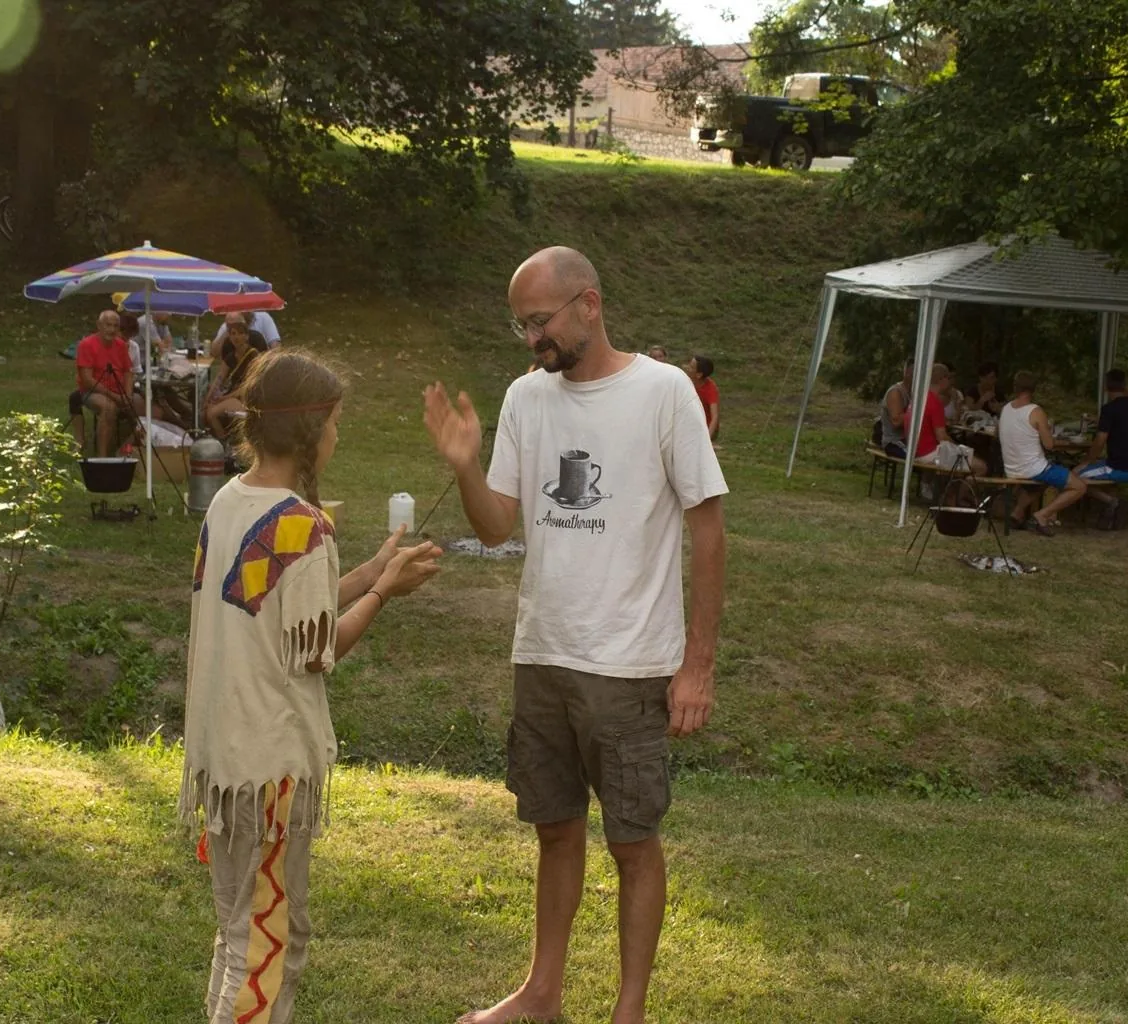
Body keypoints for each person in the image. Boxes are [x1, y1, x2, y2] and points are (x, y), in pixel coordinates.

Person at [423, 246, 727, 1024]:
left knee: (633, 842)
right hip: (542, 654)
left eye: (540, 322)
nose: (532, 340)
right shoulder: (527, 398)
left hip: (628, 665)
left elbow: (708, 528)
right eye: (521, 326)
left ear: (589, 304)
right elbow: (497, 528)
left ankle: (629, 1011)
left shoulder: (664, 392)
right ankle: (541, 995)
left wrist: (696, 666)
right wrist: (464, 467)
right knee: (555, 831)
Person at [183, 350, 441, 1024]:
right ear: (311, 431)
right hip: (269, 771)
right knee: (268, 944)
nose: (337, 435)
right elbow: (318, 651)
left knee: (238, 932)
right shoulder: (301, 523)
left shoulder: (228, 502)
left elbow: (273, 607)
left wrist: (370, 569)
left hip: (226, 760)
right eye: (335, 422)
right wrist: (384, 592)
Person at [998, 372, 1088, 535]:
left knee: (1040, 484)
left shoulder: (1006, 409)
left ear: (1015, 387)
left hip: (1012, 467)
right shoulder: (1035, 411)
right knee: (1079, 487)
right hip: (1034, 468)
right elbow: (1049, 445)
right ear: (1034, 390)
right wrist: (1050, 432)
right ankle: (1042, 515)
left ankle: (1017, 514)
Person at [1076, 368, 1128, 530]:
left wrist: (1087, 461)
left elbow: (1100, 440)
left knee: (1073, 476)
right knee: (1102, 470)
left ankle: (1112, 502)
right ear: (1125, 385)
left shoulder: (1109, 409)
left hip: (1122, 467)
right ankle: (1110, 514)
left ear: (1106, 387)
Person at [906, 362, 988, 477]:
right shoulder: (935, 403)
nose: (950, 382)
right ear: (942, 380)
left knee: (963, 462)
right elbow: (942, 437)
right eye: (948, 378)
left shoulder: (919, 398)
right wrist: (956, 446)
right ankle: (959, 489)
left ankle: (949, 488)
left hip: (914, 451)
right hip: (929, 453)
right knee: (981, 467)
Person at [70, 310, 134, 457]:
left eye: (115, 326)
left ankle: (123, 450)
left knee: (146, 407)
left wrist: (128, 395)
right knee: (108, 407)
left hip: (119, 391)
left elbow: (128, 372)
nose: (112, 330)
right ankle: (102, 457)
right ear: (99, 325)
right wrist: (116, 397)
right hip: (93, 391)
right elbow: (87, 380)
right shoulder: (86, 345)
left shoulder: (121, 345)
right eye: (108, 325)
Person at [203, 329, 269, 439]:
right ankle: (224, 439)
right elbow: (219, 379)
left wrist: (223, 398)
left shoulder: (254, 356)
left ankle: (223, 440)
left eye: (240, 333)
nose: (236, 337)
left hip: (248, 399)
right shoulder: (231, 357)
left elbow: (247, 387)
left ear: (247, 336)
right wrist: (208, 398)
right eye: (233, 334)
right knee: (207, 410)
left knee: (211, 413)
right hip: (233, 397)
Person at [876, 358, 913, 458]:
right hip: (894, 442)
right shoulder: (896, 392)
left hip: (910, 441)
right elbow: (896, 422)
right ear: (907, 373)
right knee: (919, 459)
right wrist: (918, 413)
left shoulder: (914, 393)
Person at [683, 354, 720, 441]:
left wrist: (707, 439)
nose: (687, 368)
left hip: (705, 428)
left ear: (699, 375)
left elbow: (714, 417)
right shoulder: (685, 380)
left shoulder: (710, 390)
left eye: (691, 367)